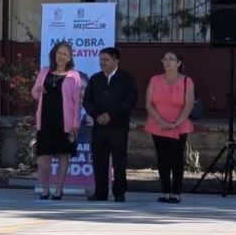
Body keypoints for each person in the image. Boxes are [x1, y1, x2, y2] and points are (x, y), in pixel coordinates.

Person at [83, 46, 138, 202]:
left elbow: (129, 101)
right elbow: (87, 101)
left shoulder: (126, 78)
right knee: (99, 161)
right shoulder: (95, 79)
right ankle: (100, 192)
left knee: (119, 161)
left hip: (118, 127)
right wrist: (97, 115)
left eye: (106, 59)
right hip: (99, 127)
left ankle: (119, 193)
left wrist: (110, 115)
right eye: (101, 59)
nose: (102, 63)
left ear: (116, 61)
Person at [31, 42, 82, 200]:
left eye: (65, 54)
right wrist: (39, 89)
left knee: (62, 155)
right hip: (45, 119)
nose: (61, 56)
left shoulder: (74, 76)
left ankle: (59, 189)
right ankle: (45, 189)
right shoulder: (45, 71)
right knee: (43, 157)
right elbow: (34, 94)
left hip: (64, 121)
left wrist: (75, 123)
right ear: (54, 54)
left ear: (69, 58)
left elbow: (76, 102)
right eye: (59, 53)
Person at [144, 51, 195, 204]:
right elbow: (148, 104)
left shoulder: (187, 81)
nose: (167, 62)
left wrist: (176, 123)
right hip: (157, 124)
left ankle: (176, 193)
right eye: (165, 59)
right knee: (163, 159)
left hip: (179, 125)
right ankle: (165, 192)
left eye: (171, 59)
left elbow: (189, 104)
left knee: (177, 159)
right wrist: (161, 122)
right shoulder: (155, 80)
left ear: (179, 63)